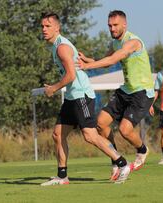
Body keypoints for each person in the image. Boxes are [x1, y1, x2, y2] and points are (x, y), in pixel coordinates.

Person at [40, 12, 131, 186]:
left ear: (57, 28)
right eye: (42, 26)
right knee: (58, 134)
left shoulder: (62, 47)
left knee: (90, 135)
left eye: (48, 26)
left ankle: (122, 163)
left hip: (81, 95)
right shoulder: (55, 46)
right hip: (71, 97)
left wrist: (53, 88)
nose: (44, 29)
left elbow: (72, 75)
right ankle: (62, 176)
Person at [78, 10, 153, 180]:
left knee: (125, 130)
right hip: (126, 90)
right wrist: (87, 60)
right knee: (101, 123)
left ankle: (142, 150)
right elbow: (106, 60)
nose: (112, 29)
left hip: (141, 93)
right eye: (109, 26)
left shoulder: (133, 42)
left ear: (124, 25)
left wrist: (86, 67)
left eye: (115, 25)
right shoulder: (115, 44)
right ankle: (115, 158)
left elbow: (112, 61)